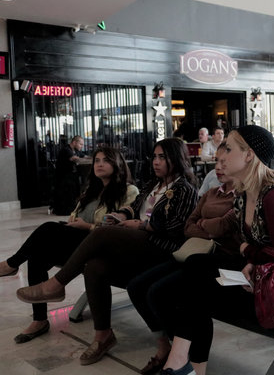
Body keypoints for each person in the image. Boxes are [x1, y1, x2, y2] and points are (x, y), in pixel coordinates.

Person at [15, 138, 199, 366]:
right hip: (137, 245)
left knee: (102, 233)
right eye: (154, 157)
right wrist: (122, 215)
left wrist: (142, 225)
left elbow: (176, 228)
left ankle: (56, 284)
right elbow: (134, 207)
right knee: (95, 266)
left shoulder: (185, 189)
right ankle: (103, 335)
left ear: (177, 159)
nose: (156, 162)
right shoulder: (153, 184)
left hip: (159, 249)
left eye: (163, 157)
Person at [155, 125, 274, 375]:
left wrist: (249, 253)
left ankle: (184, 365)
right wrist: (250, 255)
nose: (221, 156)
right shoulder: (245, 193)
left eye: (229, 149)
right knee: (196, 267)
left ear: (249, 155)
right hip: (262, 274)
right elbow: (258, 247)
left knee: (197, 286)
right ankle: (184, 363)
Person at [0, 147, 138, 344]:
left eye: (105, 160)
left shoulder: (129, 191)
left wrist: (87, 226)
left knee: (48, 227)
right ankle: (39, 320)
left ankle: (11, 265)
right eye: (96, 160)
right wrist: (74, 223)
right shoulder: (91, 191)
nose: (99, 164)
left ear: (117, 164)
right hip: (78, 243)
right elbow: (74, 216)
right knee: (37, 255)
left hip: (102, 248)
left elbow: (120, 229)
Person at [127, 143, 237, 374]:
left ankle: (190, 360)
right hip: (194, 253)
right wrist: (210, 228)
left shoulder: (240, 198)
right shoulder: (211, 193)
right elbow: (189, 227)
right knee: (138, 287)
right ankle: (173, 346)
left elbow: (227, 228)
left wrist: (205, 226)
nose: (217, 168)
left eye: (223, 163)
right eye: (216, 162)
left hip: (220, 261)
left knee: (172, 293)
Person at [52, 135, 86, 214]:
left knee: (77, 189)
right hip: (63, 178)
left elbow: (83, 156)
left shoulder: (76, 150)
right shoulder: (66, 150)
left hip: (72, 176)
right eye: (80, 144)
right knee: (69, 193)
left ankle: (74, 209)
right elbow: (74, 158)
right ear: (74, 142)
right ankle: (65, 210)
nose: (82, 146)